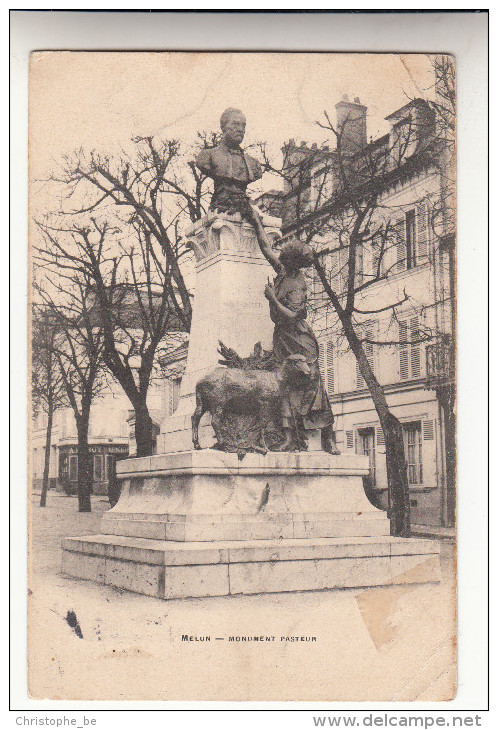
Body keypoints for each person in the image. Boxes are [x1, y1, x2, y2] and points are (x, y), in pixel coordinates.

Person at [246, 205, 340, 454]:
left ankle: (328, 436)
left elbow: (294, 315)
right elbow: (267, 249)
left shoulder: (297, 284)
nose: (281, 258)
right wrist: (256, 221)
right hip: (283, 338)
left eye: (285, 256)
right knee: (284, 384)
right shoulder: (282, 272)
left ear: (292, 262)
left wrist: (272, 299)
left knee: (311, 384)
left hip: (298, 337)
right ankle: (288, 436)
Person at [195, 108, 262, 215]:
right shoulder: (207, 156)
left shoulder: (253, 163)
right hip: (220, 204)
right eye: (235, 124)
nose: (240, 129)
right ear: (223, 127)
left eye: (243, 125)